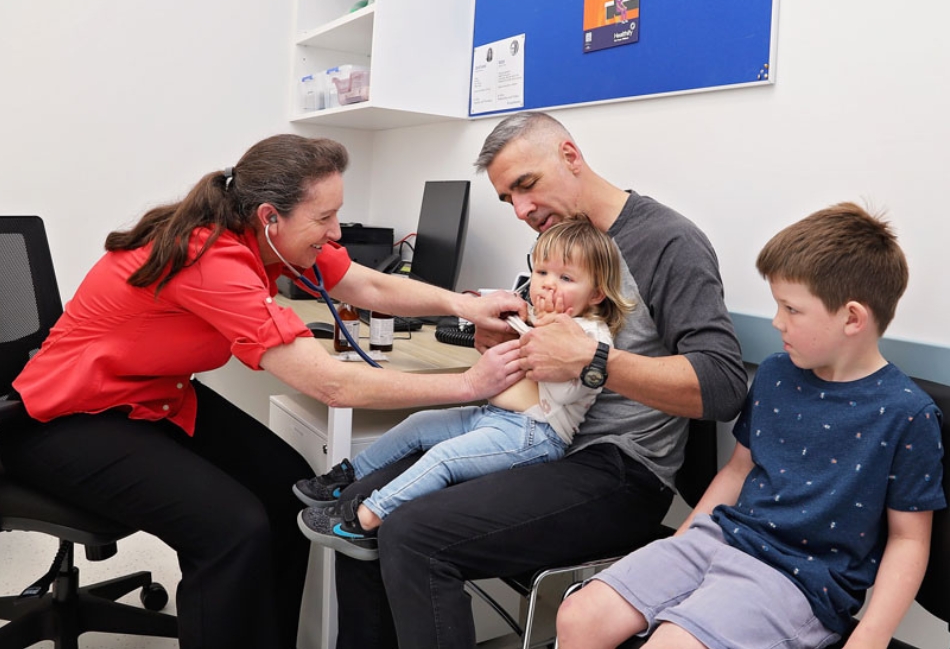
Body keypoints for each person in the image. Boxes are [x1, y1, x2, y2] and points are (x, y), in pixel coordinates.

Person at [0, 134, 526, 649]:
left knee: (287, 489)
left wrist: (465, 305)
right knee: (230, 530)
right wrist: (468, 384)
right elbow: (331, 382)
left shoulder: (263, 240)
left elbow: (366, 284)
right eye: (324, 218)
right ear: (270, 215)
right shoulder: (210, 256)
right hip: (66, 417)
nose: (335, 231)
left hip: (152, 395)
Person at [329, 111, 749, 648]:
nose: (523, 211)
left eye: (527, 186)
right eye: (508, 199)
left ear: (571, 156)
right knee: (357, 508)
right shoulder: (553, 246)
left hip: (617, 467)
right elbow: (544, 358)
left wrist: (594, 360)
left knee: (412, 533)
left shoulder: (668, 242)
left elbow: (723, 385)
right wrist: (505, 345)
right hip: (528, 435)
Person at [556, 202, 946, 649]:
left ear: (852, 318)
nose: (777, 322)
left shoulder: (906, 413)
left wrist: (872, 638)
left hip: (798, 579)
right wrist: (679, 546)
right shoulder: (777, 374)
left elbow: (908, 540)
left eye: (791, 309)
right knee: (578, 617)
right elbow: (738, 472)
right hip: (721, 537)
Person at [294, 215, 634, 560]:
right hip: (493, 415)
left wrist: (541, 338)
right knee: (419, 423)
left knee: (443, 458)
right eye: (542, 272)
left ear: (596, 292)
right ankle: (345, 479)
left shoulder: (591, 336)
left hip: (534, 435)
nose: (547, 285)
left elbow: (564, 393)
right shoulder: (530, 316)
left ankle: (365, 523)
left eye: (565, 278)